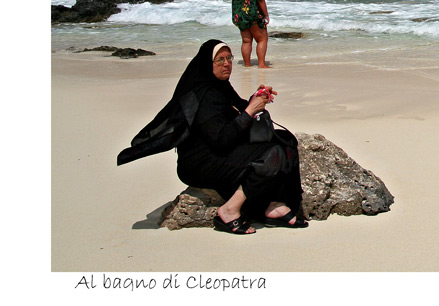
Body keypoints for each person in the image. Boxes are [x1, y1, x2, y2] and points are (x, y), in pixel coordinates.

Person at [117, 39, 307, 234]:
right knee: (271, 153)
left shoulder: (219, 85)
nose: (226, 64)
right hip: (200, 161)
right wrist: (251, 110)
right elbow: (222, 139)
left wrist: (256, 99)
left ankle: (275, 205)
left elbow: (235, 109)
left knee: (285, 139)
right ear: (208, 63)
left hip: (220, 151)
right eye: (219, 60)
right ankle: (228, 211)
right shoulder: (203, 95)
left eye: (229, 58)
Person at [232, 0, 270, 68]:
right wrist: (266, 15)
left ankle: (247, 64)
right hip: (253, 14)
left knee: (246, 41)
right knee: (262, 39)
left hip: (239, 16)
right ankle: (261, 64)